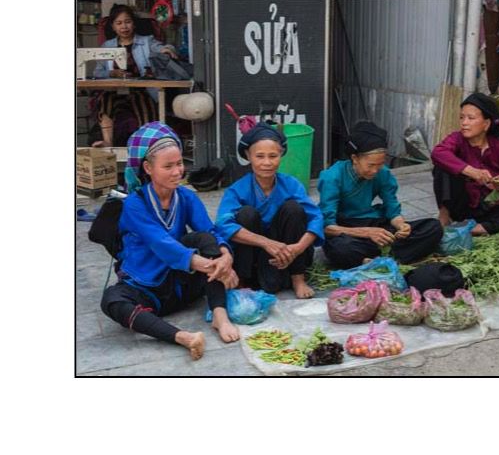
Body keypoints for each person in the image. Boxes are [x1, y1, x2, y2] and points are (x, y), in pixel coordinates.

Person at [100, 122, 240, 361]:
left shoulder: (185, 196)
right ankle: (183, 337)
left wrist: (226, 255)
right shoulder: (135, 204)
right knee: (111, 301)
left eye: (179, 164)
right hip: (147, 288)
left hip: (181, 284)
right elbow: (161, 244)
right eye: (168, 166)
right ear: (148, 168)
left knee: (205, 239)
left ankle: (220, 315)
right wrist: (214, 267)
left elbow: (210, 231)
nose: (177, 172)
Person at [215, 123, 324, 299]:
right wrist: (266, 243)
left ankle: (298, 278)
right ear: (248, 156)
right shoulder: (237, 190)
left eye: (273, 156)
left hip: (286, 254)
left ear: (281, 156)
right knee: (246, 214)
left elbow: (316, 218)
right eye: (259, 156)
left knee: (294, 209)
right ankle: (243, 281)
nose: (267, 162)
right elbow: (223, 225)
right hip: (254, 257)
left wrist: (298, 248)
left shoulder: (291, 184)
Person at [319, 121, 443, 269]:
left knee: (434, 227)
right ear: (355, 158)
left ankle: (375, 259)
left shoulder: (382, 173)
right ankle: (391, 256)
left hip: (374, 222)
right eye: (371, 165)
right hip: (346, 229)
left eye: (380, 164)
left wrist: (401, 225)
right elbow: (328, 227)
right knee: (341, 249)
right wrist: (367, 233)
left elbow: (392, 208)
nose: (375, 170)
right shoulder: (332, 177)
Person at [431, 93, 499, 237]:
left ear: (486, 124)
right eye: (462, 117)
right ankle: (444, 219)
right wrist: (471, 171)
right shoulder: (457, 139)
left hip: (491, 208)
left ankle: (475, 229)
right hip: (461, 206)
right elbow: (438, 153)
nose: (464, 123)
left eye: (471, 118)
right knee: (442, 166)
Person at [89, 4, 179, 148]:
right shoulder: (107, 46)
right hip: (114, 91)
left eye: (127, 22)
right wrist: (111, 73)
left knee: (143, 102)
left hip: (141, 90)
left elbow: (164, 48)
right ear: (113, 26)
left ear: (133, 24)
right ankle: (108, 142)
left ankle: (146, 145)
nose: (124, 27)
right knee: (105, 100)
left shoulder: (146, 41)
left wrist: (167, 50)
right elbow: (97, 73)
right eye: (118, 23)